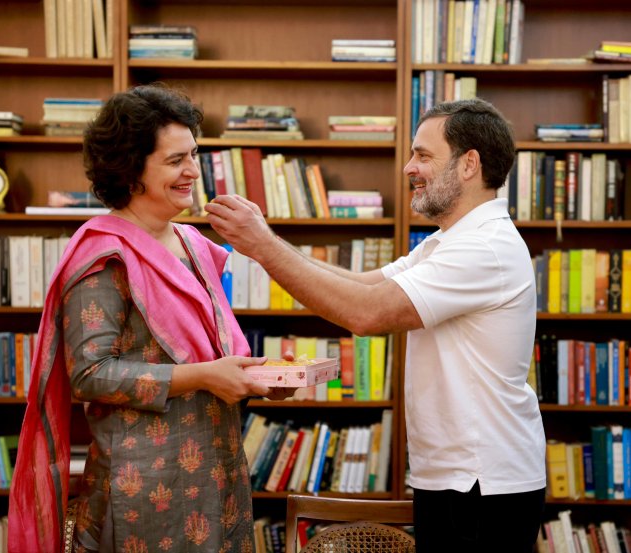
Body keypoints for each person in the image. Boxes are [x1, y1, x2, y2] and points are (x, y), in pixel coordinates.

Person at [205, 98, 546, 553]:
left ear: (469, 165)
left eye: (423, 155)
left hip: (483, 485)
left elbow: (365, 312)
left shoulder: (484, 248)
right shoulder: (450, 241)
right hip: (459, 478)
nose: (409, 167)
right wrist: (267, 242)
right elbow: (356, 283)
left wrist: (264, 247)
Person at [8, 83, 293, 553]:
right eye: (175, 161)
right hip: (142, 490)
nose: (192, 172)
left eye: (194, 155)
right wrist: (203, 376)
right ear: (130, 168)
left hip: (217, 473)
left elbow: (211, 354)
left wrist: (252, 377)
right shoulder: (104, 255)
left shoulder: (195, 246)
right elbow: (90, 374)